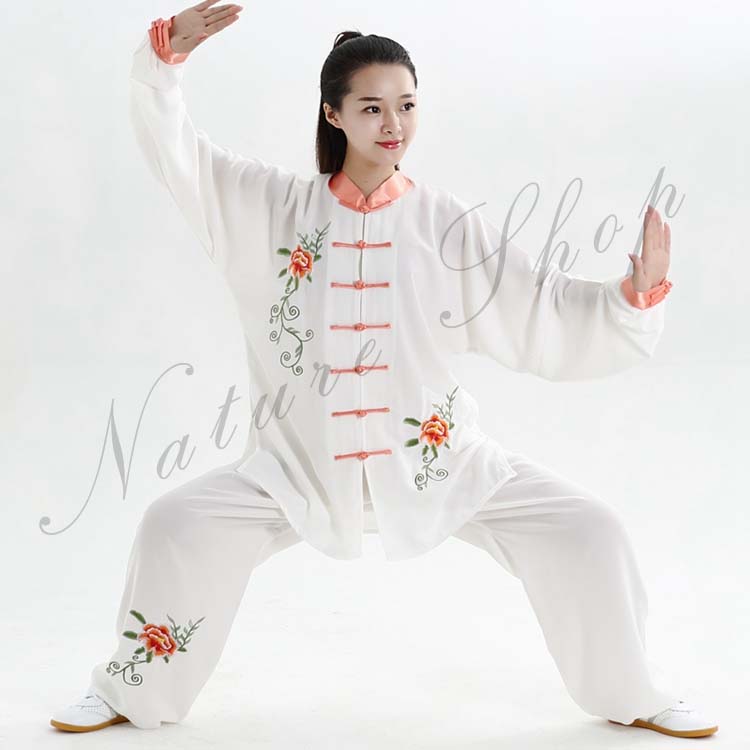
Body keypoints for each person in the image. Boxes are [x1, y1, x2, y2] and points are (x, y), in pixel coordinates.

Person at [49, 1, 718, 739]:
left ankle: (636, 692)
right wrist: (163, 63)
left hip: (441, 461)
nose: (392, 123)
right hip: (297, 465)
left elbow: (540, 305)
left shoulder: (445, 224)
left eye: (406, 105)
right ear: (333, 114)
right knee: (174, 525)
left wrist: (631, 297)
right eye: (371, 107)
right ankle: (131, 691)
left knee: (590, 531)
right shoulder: (273, 207)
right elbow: (181, 159)